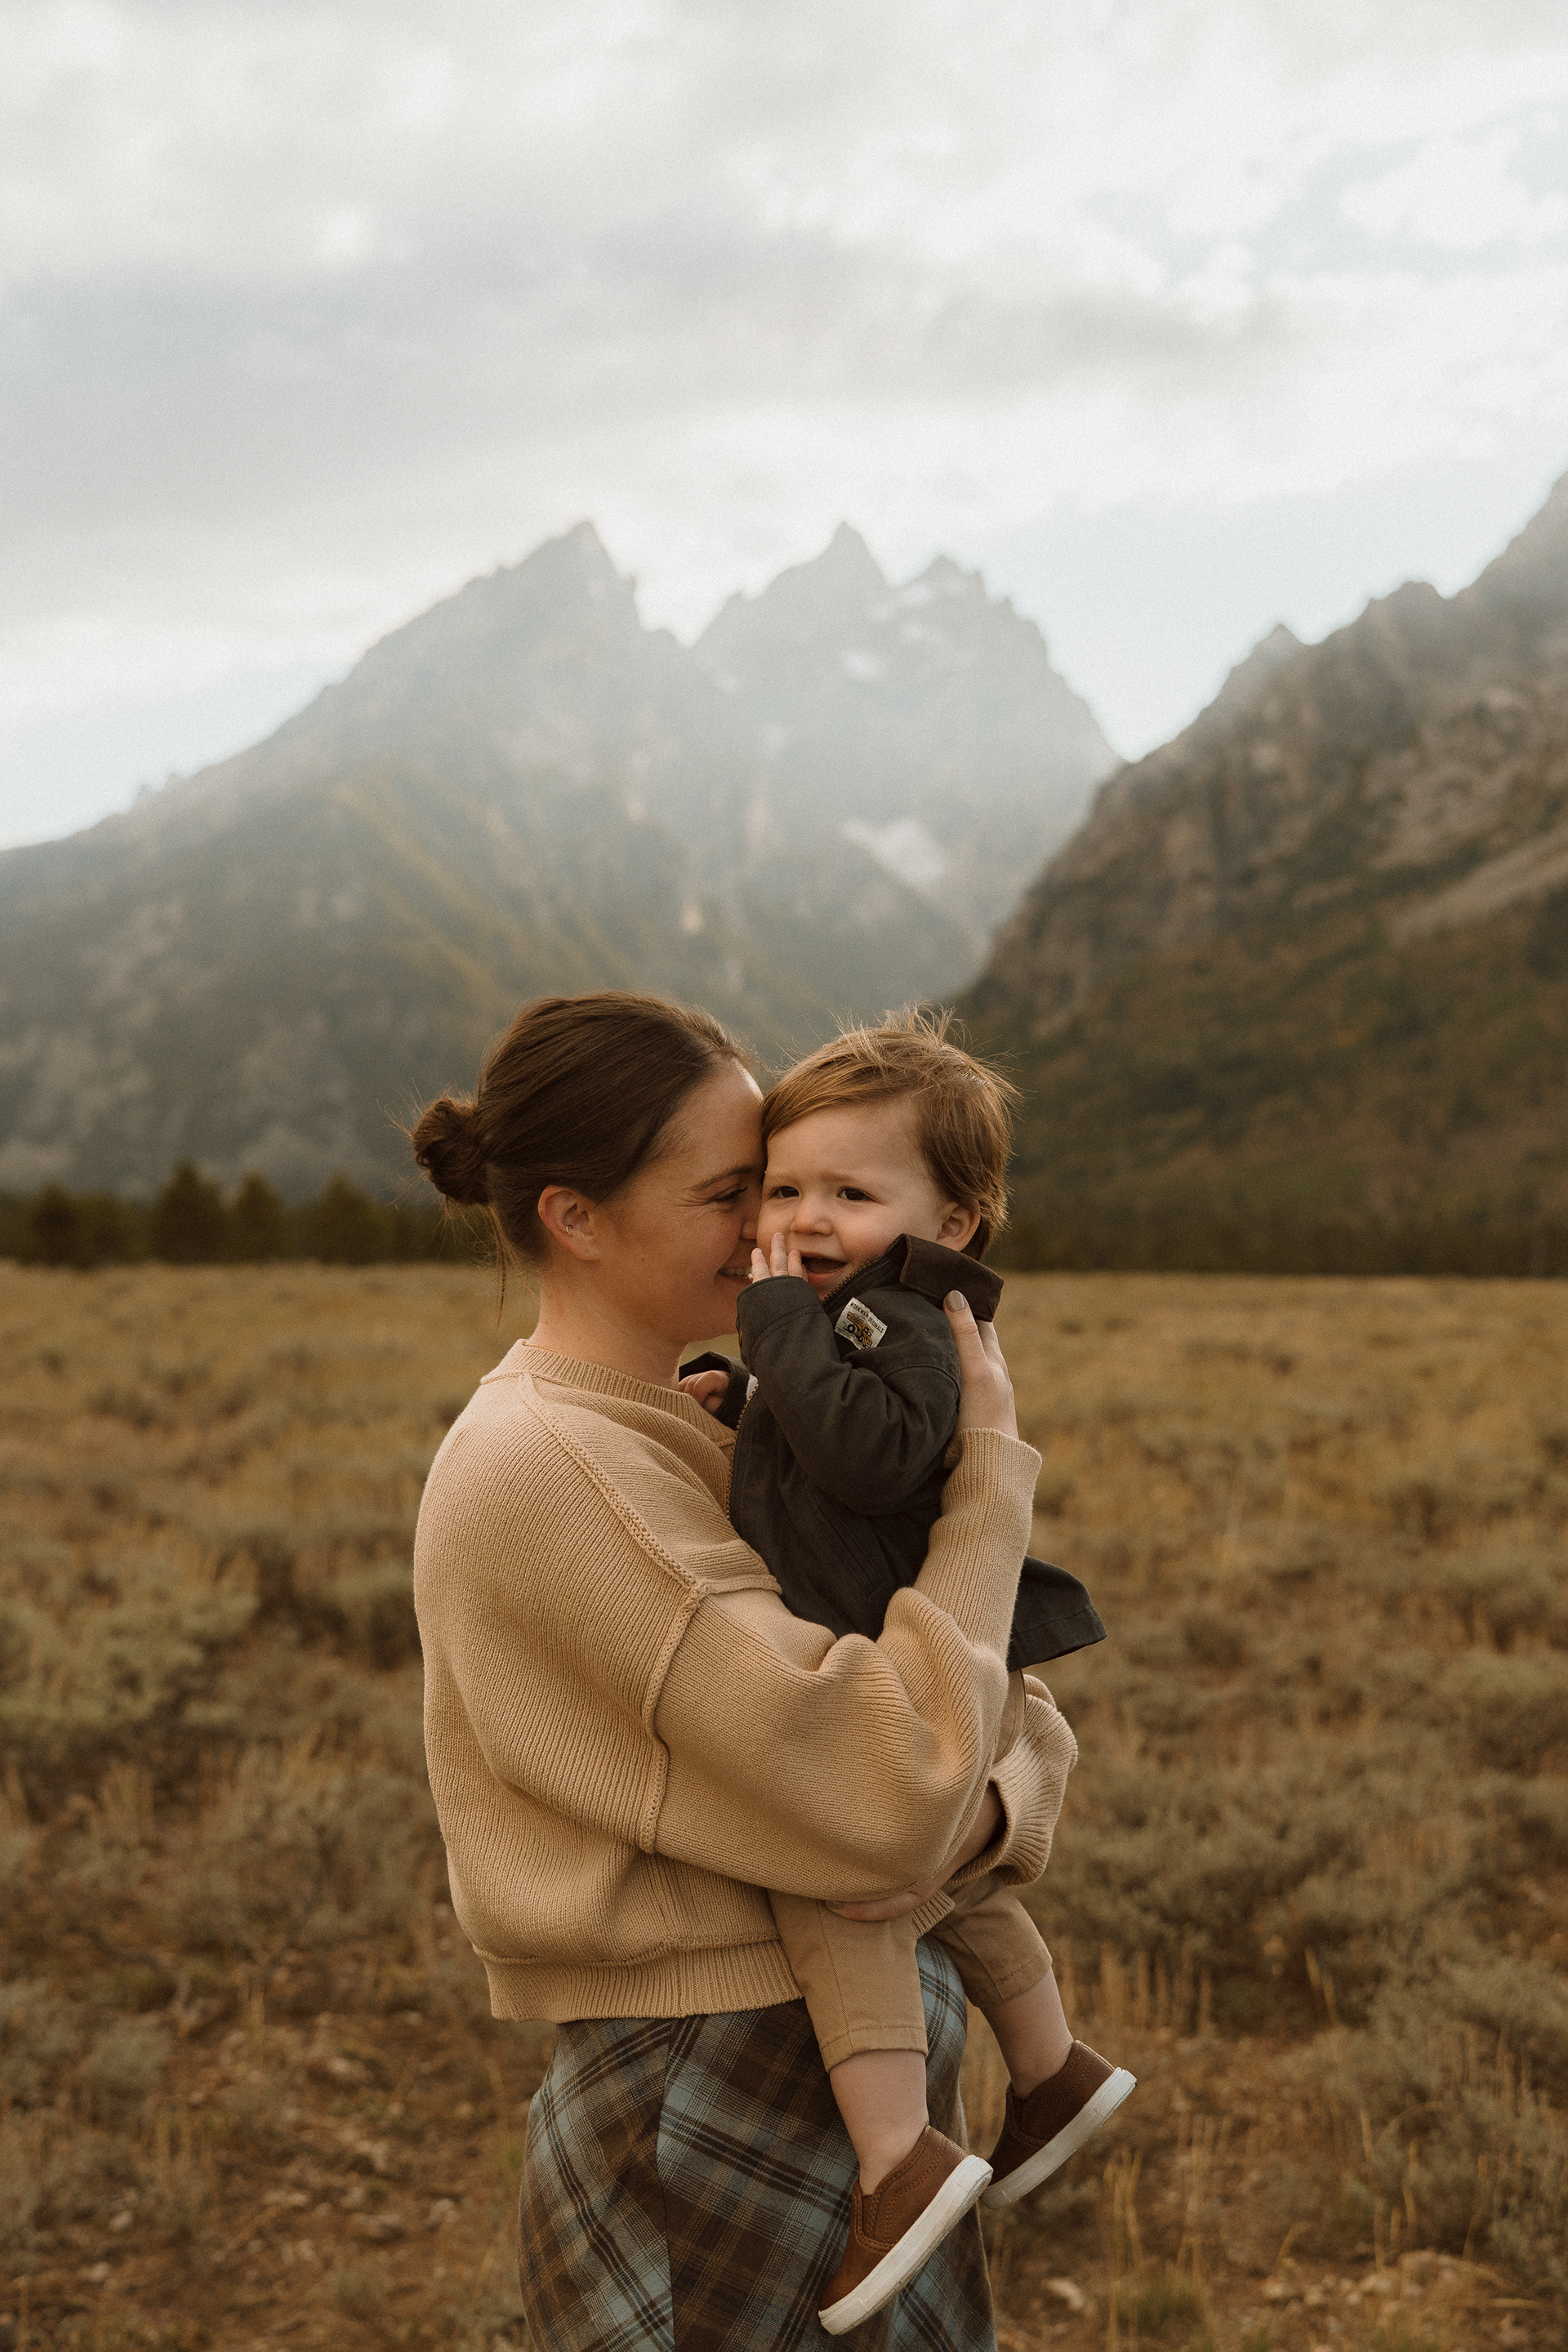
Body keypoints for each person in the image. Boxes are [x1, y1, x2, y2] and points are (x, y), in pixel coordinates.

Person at [410, 991, 1080, 2351]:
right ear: (574, 1217)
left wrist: (1002, 1803)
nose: (778, 1233)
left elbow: (988, 1716)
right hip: (713, 2077)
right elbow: (900, 1782)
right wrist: (990, 1496)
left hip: (798, 2053)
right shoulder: (560, 1474)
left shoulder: (699, 1426)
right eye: (735, 1192)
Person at [679, 1013, 1133, 2332]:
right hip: (896, 1636)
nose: (806, 1218)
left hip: (887, 1651)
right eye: (785, 1187)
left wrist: (770, 1326)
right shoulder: (853, 1317)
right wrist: (744, 1393)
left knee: (851, 1885)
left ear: (960, 1220)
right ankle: (1050, 2068)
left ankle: (898, 2156)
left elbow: (874, 1456)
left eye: (851, 1194)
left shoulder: (905, 1321)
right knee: (951, 1889)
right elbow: (825, 1442)